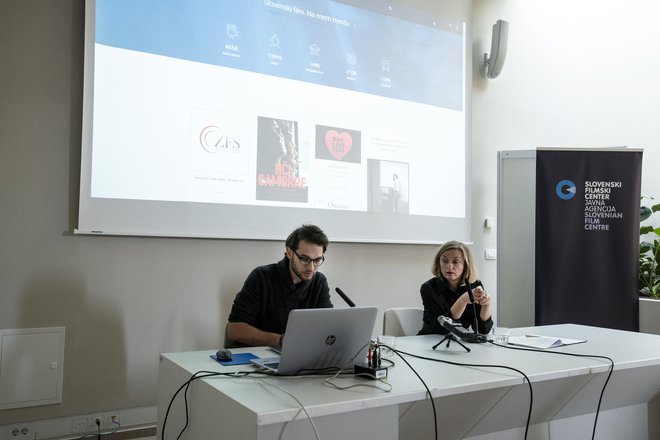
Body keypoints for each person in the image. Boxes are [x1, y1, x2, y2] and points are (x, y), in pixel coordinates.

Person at [226, 224, 333, 347]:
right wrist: (281, 340)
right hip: (254, 355)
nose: (311, 267)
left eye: (317, 260)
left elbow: (327, 326)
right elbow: (235, 330)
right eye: (304, 259)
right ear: (289, 253)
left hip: (298, 356)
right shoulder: (261, 277)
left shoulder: (319, 281)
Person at [418, 241, 493, 335]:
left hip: (459, 343)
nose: (449, 266)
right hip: (430, 342)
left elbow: (483, 330)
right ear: (439, 262)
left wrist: (486, 304)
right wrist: (462, 301)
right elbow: (439, 329)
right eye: (444, 261)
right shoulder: (429, 288)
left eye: (455, 262)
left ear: (465, 265)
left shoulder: (474, 285)